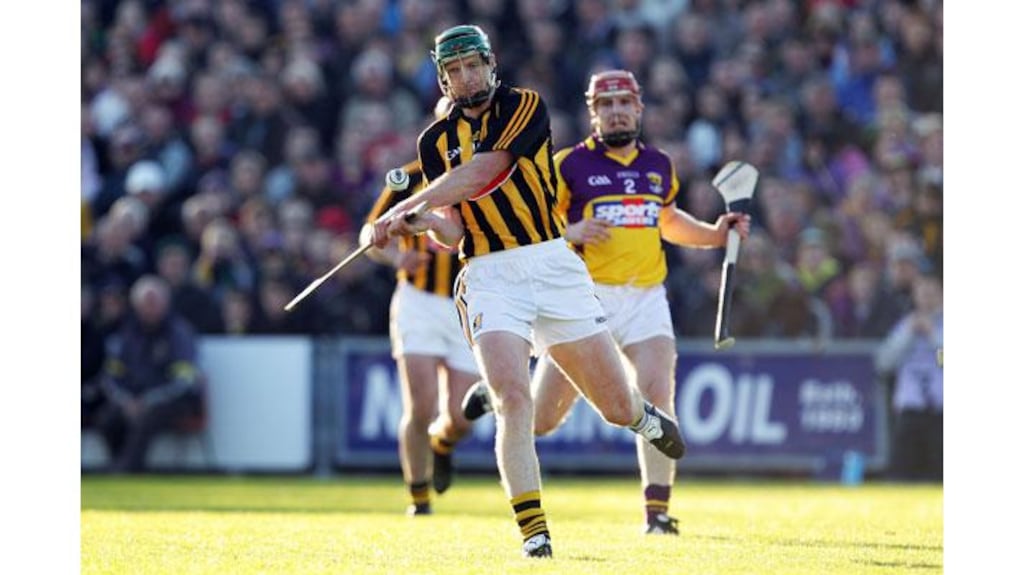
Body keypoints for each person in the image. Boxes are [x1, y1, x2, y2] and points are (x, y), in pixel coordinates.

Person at [370, 25, 691, 558]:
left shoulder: (523, 106)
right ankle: (534, 533)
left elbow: (486, 171)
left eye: (473, 65)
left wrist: (404, 207)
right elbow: (454, 230)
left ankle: (643, 416)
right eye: (454, 70)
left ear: (489, 64)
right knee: (512, 400)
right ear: (443, 77)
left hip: (549, 262)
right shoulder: (434, 142)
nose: (466, 77)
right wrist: (420, 223)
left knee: (614, 407)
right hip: (488, 275)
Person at [461, 69, 751, 535]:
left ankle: (657, 514)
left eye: (624, 104)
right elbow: (526, 226)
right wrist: (570, 231)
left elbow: (668, 220)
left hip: (646, 296)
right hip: (582, 299)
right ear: (593, 113)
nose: (617, 112)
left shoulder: (659, 165)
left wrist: (715, 235)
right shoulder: (567, 165)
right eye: (606, 105)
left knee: (657, 395)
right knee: (541, 421)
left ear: (639, 108)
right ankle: (496, 395)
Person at [363, 138, 482, 516]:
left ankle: (443, 445)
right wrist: (395, 256)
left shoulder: (485, 175)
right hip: (419, 303)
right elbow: (370, 233)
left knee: (462, 418)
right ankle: (418, 497)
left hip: (467, 302)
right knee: (421, 405)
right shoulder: (409, 177)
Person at [94, 275, 206, 473]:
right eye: (146, 303)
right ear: (136, 305)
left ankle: (129, 468)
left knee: (148, 418)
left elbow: (184, 380)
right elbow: (111, 375)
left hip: (172, 401)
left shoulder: (179, 333)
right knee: (107, 418)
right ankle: (119, 461)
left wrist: (147, 400)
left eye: (154, 302)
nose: (150, 308)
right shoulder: (126, 333)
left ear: (166, 303)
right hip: (131, 400)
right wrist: (126, 401)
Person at [874, 273, 943, 482]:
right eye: (922, 294)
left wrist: (933, 339)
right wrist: (908, 337)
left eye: (932, 294)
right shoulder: (905, 326)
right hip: (910, 408)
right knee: (901, 474)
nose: (927, 299)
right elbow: (885, 363)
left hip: (941, 410)